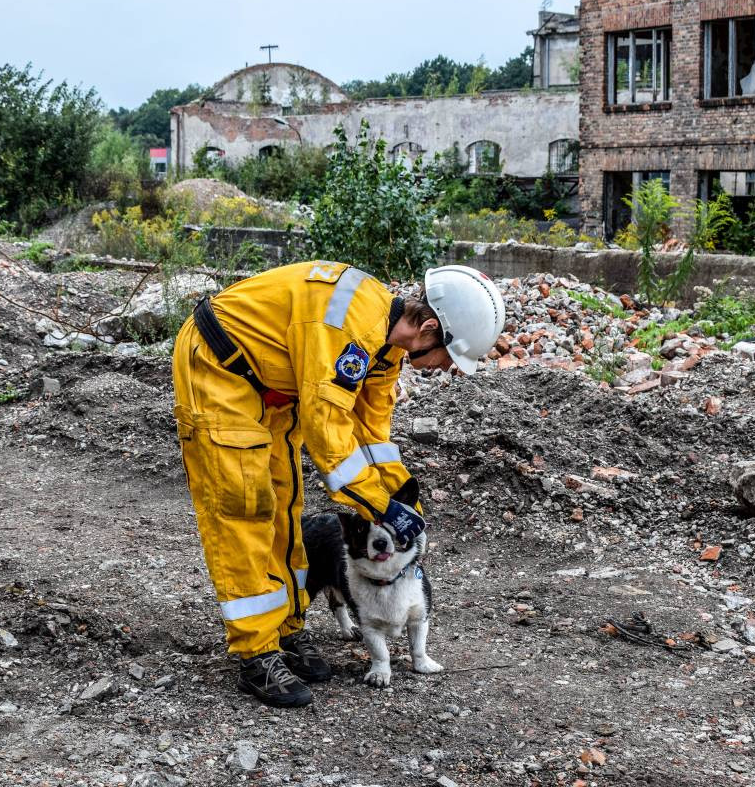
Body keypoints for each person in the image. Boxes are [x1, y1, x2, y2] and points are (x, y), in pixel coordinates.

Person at [171, 260, 505, 707]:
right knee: (245, 507)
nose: (446, 368)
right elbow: (329, 440)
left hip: (268, 385)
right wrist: (381, 509)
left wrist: (406, 508)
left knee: (285, 504)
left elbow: (372, 438)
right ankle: (256, 652)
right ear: (427, 327)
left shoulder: (384, 349)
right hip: (218, 368)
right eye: (449, 356)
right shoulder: (346, 330)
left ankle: (286, 630)